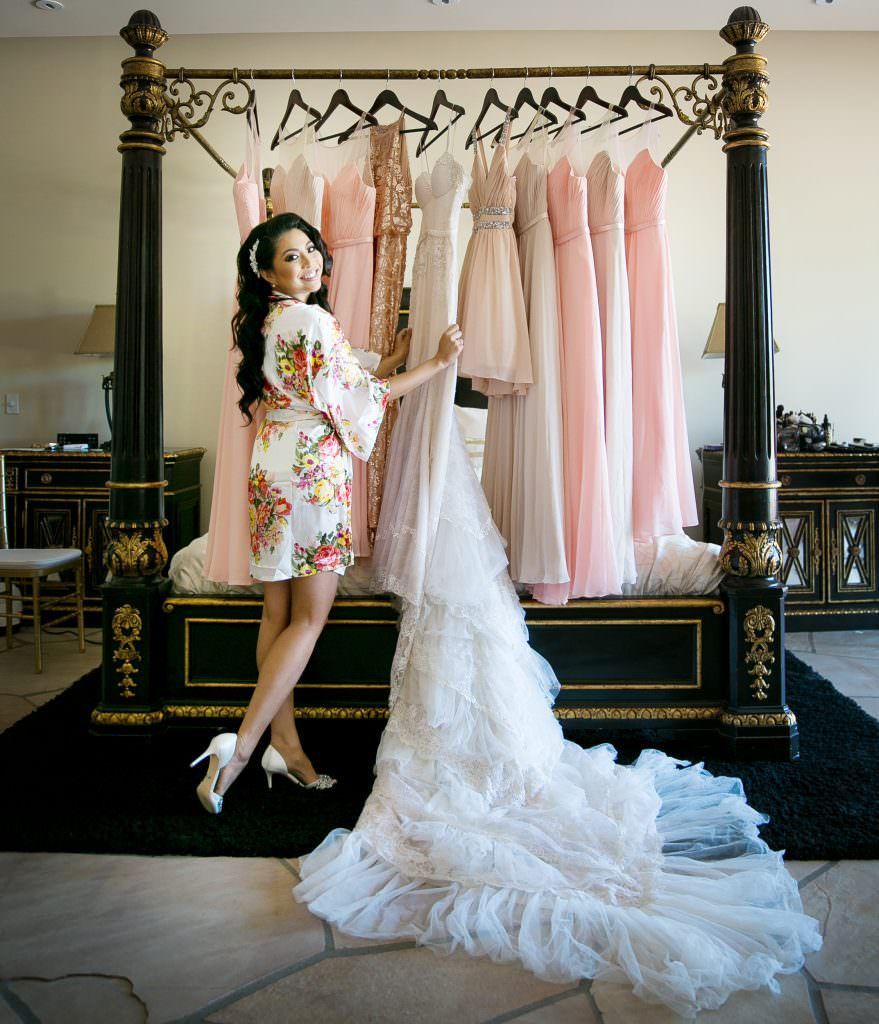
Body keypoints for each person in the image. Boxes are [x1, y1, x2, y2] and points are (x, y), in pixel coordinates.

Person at [190, 212, 463, 814]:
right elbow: (366, 397)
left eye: (311, 249)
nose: (309, 260)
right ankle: (237, 752)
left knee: (278, 612)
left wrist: (384, 358)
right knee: (310, 620)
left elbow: (333, 378)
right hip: (314, 472)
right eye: (292, 256)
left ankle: (285, 748)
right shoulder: (311, 318)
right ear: (267, 272)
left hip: (274, 465)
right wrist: (438, 362)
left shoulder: (273, 322)